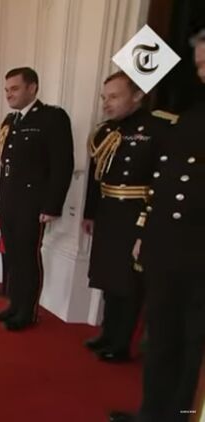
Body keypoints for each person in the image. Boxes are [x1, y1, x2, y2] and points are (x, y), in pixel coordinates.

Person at [110, 27, 205, 422]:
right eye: (198, 65)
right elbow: (164, 185)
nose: (201, 73)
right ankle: (152, 413)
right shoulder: (191, 117)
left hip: (199, 256)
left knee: (192, 349)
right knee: (161, 339)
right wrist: (146, 235)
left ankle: (181, 415)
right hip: (167, 250)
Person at [81, 71, 169, 363]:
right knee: (110, 279)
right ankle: (108, 333)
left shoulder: (158, 129)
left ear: (138, 95)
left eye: (114, 96)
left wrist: (148, 227)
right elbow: (96, 177)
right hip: (109, 213)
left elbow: (163, 184)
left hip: (136, 214)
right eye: (104, 97)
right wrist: (90, 213)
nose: (106, 103)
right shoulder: (106, 131)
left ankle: (121, 344)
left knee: (129, 284)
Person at [0, 67, 75, 331]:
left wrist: (52, 205)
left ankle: (27, 312)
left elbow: (62, 165)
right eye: (7, 90)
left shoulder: (52, 118)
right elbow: (6, 167)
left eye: (15, 89)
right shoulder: (11, 121)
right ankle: (14, 305)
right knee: (13, 257)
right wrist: (0, 203)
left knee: (28, 259)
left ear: (32, 88)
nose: (9, 94)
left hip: (32, 204)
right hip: (10, 202)